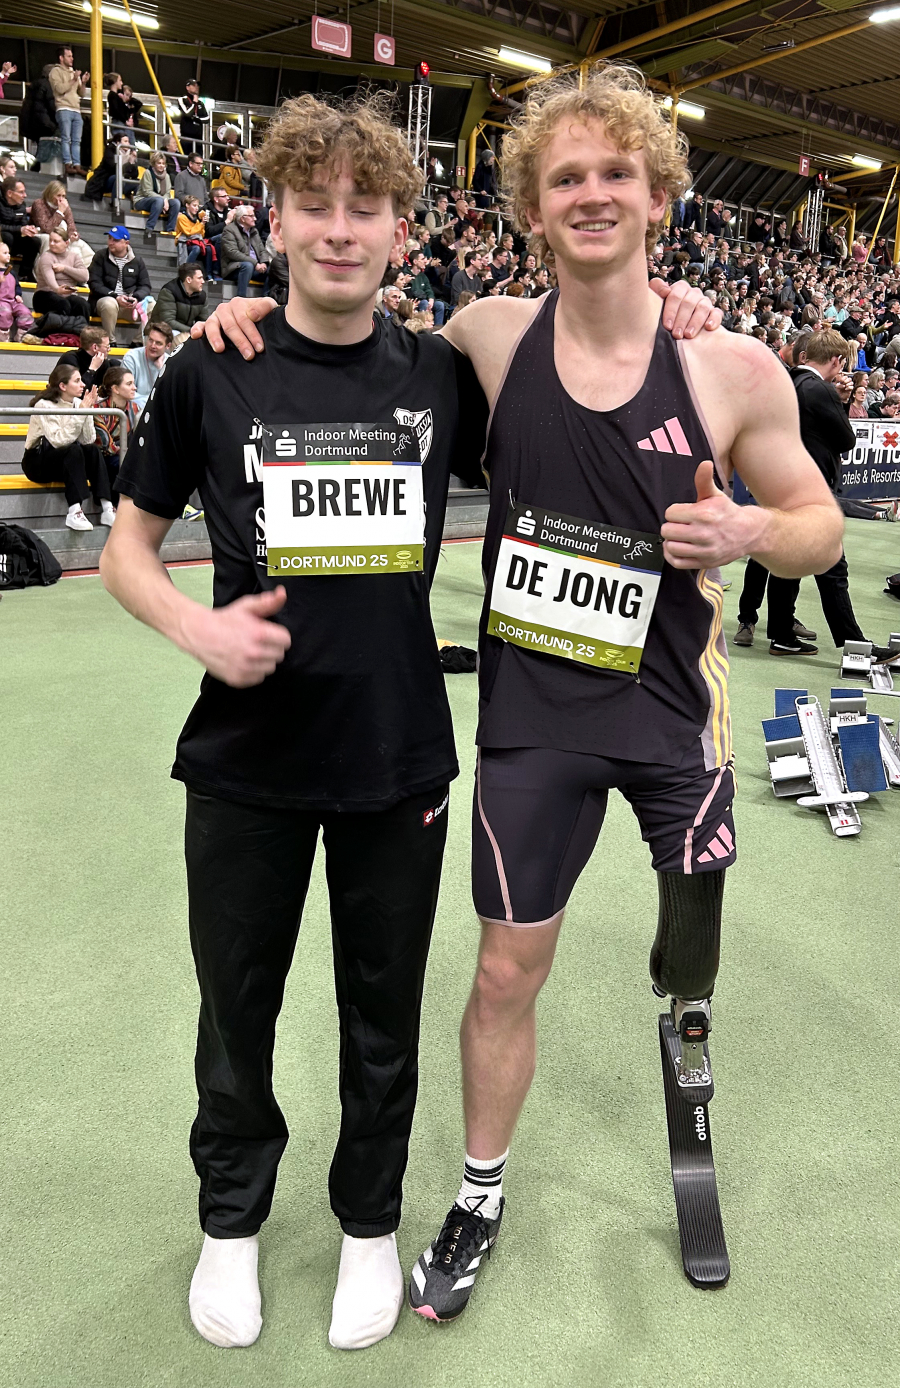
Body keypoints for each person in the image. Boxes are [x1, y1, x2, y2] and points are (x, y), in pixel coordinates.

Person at [193, 69, 837, 1329]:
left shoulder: (728, 363)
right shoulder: (487, 337)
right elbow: (345, 335)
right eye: (566, 178)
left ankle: (686, 1047)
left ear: (658, 194)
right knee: (502, 972)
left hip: (674, 721)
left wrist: (754, 527)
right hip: (535, 724)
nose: (592, 195)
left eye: (616, 174)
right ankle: (478, 1193)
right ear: (532, 210)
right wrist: (253, 307)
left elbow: (816, 522)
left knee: (690, 947)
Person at [735, 328, 892, 657]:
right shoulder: (819, 389)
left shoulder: (787, 382)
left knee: (787, 564)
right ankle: (855, 646)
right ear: (837, 360)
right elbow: (846, 440)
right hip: (811, 491)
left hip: (782, 486)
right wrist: (841, 400)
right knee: (832, 568)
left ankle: (781, 635)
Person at [22, 362, 113, 530]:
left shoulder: (79, 403)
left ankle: (107, 507)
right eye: (77, 381)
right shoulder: (43, 405)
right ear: (63, 386)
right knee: (73, 450)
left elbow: (88, 439)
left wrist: (86, 411)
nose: (83, 384)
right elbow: (58, 441)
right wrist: (82, 412)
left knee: (92, 450)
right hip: (37, 462)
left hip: (67, 459)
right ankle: (74, 511)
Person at [88, 225, 152, 344]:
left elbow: (145, 285)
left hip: (129, 305)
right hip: (106, 301)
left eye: (116, 240)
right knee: (109, 303)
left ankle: (138, 342)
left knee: (153, 306)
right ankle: (110, 342)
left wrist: (136, 298)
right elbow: (94, 283)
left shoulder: (137, 261)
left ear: (126, 243)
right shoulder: (100, 256)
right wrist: (115, 296)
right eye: (109, 238)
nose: (111, 242)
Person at [94, 363, 140, 494]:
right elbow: (105, 445)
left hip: (127, 455)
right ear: (115, 389)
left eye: (133, 383)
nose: (134, 388)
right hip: (105, 458)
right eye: (129, 384)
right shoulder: (99, 409)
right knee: (129, 465)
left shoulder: (135, 408)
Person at [29, 180, 94, 266]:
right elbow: (47, 229)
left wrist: (73, 234)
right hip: (40, 233)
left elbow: (71, 225)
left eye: (63, 196)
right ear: (50, 194)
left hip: (59, 235)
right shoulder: (39, 203)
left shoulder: (65, 205)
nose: (61, 199)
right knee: (50, 239)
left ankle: (80, 268)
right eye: (58, 195)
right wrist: (60, 212)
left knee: (80, 244)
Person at [33, 226, 90, 321]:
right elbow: (49, 278)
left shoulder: (74, 256)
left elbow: (85, 276)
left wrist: (64, 268)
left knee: (83, 305)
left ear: (66, 243)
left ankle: (81, 330)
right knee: (62, 305)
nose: (51, 244)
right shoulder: (46, 256)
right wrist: (57, 289)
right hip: (45, 294)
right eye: (50, 240)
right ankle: (60, 330)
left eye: (56, 241)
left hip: (67, 295)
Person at [48, 44, 88, 176]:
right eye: (69, 56)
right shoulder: (55, 72)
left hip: (76, 109)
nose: (72, 59)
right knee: (66, 138)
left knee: (77, 140)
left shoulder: (73, 72)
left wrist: (83, 82)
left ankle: (77, 164)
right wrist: (74, 79)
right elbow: (59, 89)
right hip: (63, 107)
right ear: (61, 58)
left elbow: (81, 94)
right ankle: (67, 164)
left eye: (72, 56)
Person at [151, 262, 211, 339]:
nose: (203, 281)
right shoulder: (169, 291)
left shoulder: (202, 296)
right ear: (189, 280)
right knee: (180, 336)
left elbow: (203, 321)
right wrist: (191, 330)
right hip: (161, 331)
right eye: (199, 278)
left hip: (187, 331)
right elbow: (168, 321)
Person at [219, 204, 267, 298]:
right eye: (251, 216)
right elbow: (232, 252)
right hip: (233, 268)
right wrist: (255, 263)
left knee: (273, 269)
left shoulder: (254, 231)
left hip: (255, 267)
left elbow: (262, 250)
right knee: (247, 266)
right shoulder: (229, 230)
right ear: (242, 218)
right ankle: (241, 298)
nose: (255, 219)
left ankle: (265, 298)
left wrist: (264, 263)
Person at [122, 319, 172, 408]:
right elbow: (126, 392)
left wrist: (161, 370)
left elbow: (170, 395)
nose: (152, 346)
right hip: (135, 408)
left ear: (168, 346)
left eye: (158, 343)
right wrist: (153, 402)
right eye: (150, 340)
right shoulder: (131, 358)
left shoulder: (171, 362)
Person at [0, 176, 41, 282]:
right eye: (21, 192)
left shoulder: (22, 205)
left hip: (15, 240)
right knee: (7, 236)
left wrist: (28, 229)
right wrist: (20, 229)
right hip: (3, 239)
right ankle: (4, 270)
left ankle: (24, 275)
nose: (25, 195)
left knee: (35, 241)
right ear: (9, 193)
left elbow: (23, 224)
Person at [0, 239, 40, 343]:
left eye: (9, 253)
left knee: (25, 313)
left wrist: (18, 295)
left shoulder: (11, 272)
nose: (8, 255)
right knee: (4, 313)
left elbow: (17, 286)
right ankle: (3, 337)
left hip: (13, 301)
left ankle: (21, 336)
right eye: (5, 253)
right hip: (2, 301)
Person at [135, 152, 181, 237]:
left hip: (160, 201)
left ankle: (170, 230)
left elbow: (167, 192)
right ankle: (149, 228)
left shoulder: (166, 176)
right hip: (142, 200)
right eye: (159, 163)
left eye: (163, 163)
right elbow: (147, 192)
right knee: (159, 201)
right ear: (154, 164)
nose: (161, 165)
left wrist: (165, 200)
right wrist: (163, 200)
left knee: (176, 203)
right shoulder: (148, 173)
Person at [57, 323, 111, 391]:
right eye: (107, 346)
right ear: (95, 347)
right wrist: (92, 369)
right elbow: (76, 391)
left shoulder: (104, 363)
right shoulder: (70, 359)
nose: (109, 349)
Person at [174, 196, 215, 279]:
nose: (197, 208)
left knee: (209, 249)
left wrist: (202, 223)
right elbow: (188, 232)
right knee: (196, 248)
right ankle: (186, 269)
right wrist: (201, 224)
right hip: (184, 242)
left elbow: (201, 234)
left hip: (195, 241)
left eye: (198, 206)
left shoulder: (196, 220)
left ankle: (208, 274)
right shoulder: (182, 217)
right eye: (194, 205)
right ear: (187, 205)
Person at [177, 79, 210, 157]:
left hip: (198, 139)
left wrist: (195, 118)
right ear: (187, 87)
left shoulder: (201, 103)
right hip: (186, 138)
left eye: (197, 85)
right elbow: (187, 114)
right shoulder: (183, 100)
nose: (196, 87)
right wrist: (194, 102)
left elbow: (207, 118)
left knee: (198, 159)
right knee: (186, 159)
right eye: (194, 85)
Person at [104, 72, 135, 144]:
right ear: (115, 82)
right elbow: (117, 111)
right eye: (120, 80)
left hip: (122, 122)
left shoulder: (117, 96)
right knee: (124, 142)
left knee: (129, 142)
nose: (122, 83)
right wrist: (125, 120)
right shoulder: (112, 96)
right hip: (119, 122)